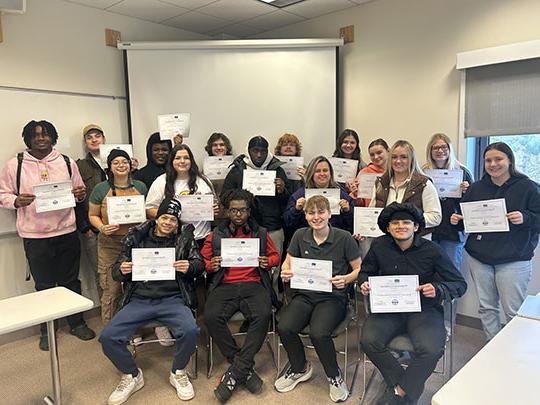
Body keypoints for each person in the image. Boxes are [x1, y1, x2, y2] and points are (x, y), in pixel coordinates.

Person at [0, 120, 95, 351]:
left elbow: (79, 192)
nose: (41, 138)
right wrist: (16, 201)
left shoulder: (66, 161)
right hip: (34, 235)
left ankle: (76, 322)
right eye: (36, 135)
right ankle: (47, 329)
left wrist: (80, 195)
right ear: (28, 138)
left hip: (66, 231)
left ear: (53, 137)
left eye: (45, 134)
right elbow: (2, 194)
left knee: (70, 280)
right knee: (43, 284)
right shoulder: (16, 164)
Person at [360, 202, 467, 405]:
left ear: (416, 227)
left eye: (406, 222)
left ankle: (398, 392)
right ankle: (405, 385)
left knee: (432, 348)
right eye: (395, 223)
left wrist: (438, 289)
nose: (401, 226)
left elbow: (459, 284)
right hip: (388, 308)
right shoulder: (380, 246)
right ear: (388, 228)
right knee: (369, 341)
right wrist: (363, 283)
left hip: (423, 309)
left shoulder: (432, 250)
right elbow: (366, 271)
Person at [99, 198, 203, 405]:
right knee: (108, 337)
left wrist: (190, 267)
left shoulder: (184, 239)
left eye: (173, 220)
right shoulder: (137, 238)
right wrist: (122, 269)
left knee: (191, 331)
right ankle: (132, 374)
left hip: (173, 298)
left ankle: (178, 371)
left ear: (177, 223)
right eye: (164, 217)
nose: (168, 222)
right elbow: (116, 270)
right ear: (156, 219)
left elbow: (199, 264)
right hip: (140, 299)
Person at [275, 195, 361, 403]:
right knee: (284, 326)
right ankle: (300, 368)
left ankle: (334, 376)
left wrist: (346, 279)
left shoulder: (344, 237)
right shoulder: (299, 235)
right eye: (311, 213)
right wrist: (285, 272)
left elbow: (358, 268)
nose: (316, 217)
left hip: (333, 297)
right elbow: (288, 262)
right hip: (305, 295)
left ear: (329, 214)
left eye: (321, 212)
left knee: (319, 333)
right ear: (305, 216)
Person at [451, 142, 540, 341]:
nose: (493, 164)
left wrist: (525, 218)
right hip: (480, 258)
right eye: (488, 160)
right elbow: (467, 222)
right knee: (487, 307)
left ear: (509, 160)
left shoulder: (528, 187)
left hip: (514, 259)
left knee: (513, 311)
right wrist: (457, 220)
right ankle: (492, 345)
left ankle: (513, 349)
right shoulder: (476, 188)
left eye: (498, 159)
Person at [201, 189, 280, 403]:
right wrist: (211, 265)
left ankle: (236, 371)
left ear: (249, 211)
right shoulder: (214, 235)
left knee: (263, 315)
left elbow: (275, 256)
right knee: (211, 317)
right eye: (234, 210)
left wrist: (268, 261)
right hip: (224, 285)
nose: (238, 215)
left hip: (253, 284)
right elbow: (201, 262)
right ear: (226, 211)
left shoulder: (261, 233)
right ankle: (244, 369)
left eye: (243, 210)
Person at [88, 149, 148, 324]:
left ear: (130, 165)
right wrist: (102, 227)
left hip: (136, 243)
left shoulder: (140, 186)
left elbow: (146, 211)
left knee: (136, 287)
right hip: (110, 244)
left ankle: (134, 327)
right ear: (110, 167)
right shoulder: (101, 188)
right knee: (111, 289)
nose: (121, 165)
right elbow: (92, 215)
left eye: (124, 162)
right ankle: (110, 331)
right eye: (116, 162)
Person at [222, 135, 290, 260]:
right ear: (248, 151)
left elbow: (288, 203)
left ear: (267, 152)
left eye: (263, 151)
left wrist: (282, 191)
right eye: (255, 151)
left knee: (273, 266)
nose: (259, 155)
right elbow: (224, 197)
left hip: (272, 228)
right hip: (243, 228)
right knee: (246, 265)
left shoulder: (278, 170)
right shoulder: (237, 170)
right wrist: (241, 196)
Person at [146, 144, 218, 246]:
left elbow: (215, 207)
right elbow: (149, 209)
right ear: (171, 161)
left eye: (186, 158)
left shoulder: (204, 180)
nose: (182, 161)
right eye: (178, 158)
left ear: (191, 161)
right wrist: (173, 215)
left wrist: (214, 209)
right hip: (174, 240)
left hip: (202, 237)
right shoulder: (161, 181)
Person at [422, 133, 473, 270]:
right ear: (430, 151)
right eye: (435, 148)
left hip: (452, 231)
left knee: (450, 270)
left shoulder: (463, 172)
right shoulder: (423, 172)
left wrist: (467, 191)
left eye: (444, 147)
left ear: (450, 149)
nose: (440, 151)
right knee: (428, 270)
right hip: (429, 229)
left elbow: (472, 203)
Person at [369, 140, 442, 232]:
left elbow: (436, 217)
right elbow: (371, 212)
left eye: (403, 157)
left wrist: (407, 221)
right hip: (386, 240)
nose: (398, 161)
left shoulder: (424, 184)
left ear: (412, 159)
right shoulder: (380, 183)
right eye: (394, 157)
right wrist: (364, 228)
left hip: (417, 241)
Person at [76, 124, 107, 302]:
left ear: (104, 139)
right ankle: (108, 317)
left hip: (120, 228)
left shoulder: (117, 161)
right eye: (90, 137)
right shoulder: (79, 166)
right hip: (93, 230)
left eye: (98, 136)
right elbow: (76, 200)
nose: (94, 140)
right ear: (86, 142)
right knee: (101, 274)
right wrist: (85, 227)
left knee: (125, 271)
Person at [284, 156, 354, 233]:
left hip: (336, 239)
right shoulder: (299, 195)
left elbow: (352, 225)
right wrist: (296, 209)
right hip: (307, 239)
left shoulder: (342, 195)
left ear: (330, 173)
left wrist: (347, 211)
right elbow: (288, 223)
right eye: (317, 171)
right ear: (311, 173)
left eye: (325, 170)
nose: (322, 174)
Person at [349, 138, 389, 207]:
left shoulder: (396, 171)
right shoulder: (364, 173)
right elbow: (359, 204)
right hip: (370, 214)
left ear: (388, 151)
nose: (376, 157)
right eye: (372, 155)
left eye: (379, 152)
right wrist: (356, 193)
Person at [204, 132, 233, 198]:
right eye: (215, 145)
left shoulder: (234, 166)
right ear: (210, 148)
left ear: (227, 147)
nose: (218, 148)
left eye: (222, 145)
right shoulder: (204, 167)